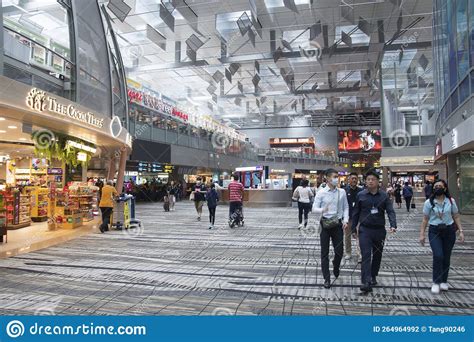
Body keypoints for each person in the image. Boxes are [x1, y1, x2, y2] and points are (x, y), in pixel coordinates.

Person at [351, 170, 397, 293]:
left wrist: (393, 225)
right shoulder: (361, 195)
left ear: (378, 182)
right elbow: (355, 213)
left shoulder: (384, 196)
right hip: (365, 230)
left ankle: (373, 275)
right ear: (365, 182)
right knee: (366, 255)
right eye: (368, 179)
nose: (370, 181)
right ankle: (366, 281)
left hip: (379, 230)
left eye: (373, 179)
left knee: (377, 255)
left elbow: (390, 211)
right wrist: (353, 229)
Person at [419, 180, 465, 294]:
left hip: (449, 230)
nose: (437, 188)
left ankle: (444, 281)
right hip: (434, 231)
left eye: (440, 186)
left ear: (445, 188)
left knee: (446, 257)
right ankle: (436, 281)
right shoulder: (429, 202)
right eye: (435, 186)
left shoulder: (450, 201)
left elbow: (456, 216)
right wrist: (422, 234)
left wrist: (461, 231)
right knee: (438, 255)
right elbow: (425, 219)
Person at [312, 169, 349, 289]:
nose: (336, 179)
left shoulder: (342, 192)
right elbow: (314, 208)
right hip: (325, 225)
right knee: (324, 252)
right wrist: (323, 210)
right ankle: (326, 278)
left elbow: (345, 207)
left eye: (337, 176)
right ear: (327, 178)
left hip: (337, 225)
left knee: (339, 252)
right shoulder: (321, 192)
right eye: (334, 176)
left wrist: (345, 220)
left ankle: (336, 265)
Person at [344, 172, 363, 261]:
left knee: (359, 236)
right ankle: (348, 252)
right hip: (348, 218)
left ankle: (360, 254)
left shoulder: (361, 191)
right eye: (352, 178)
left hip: (359, 218)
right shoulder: (344, 191)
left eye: (356, 178)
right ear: (349, 180)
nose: (354, 180)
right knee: (347, 236)